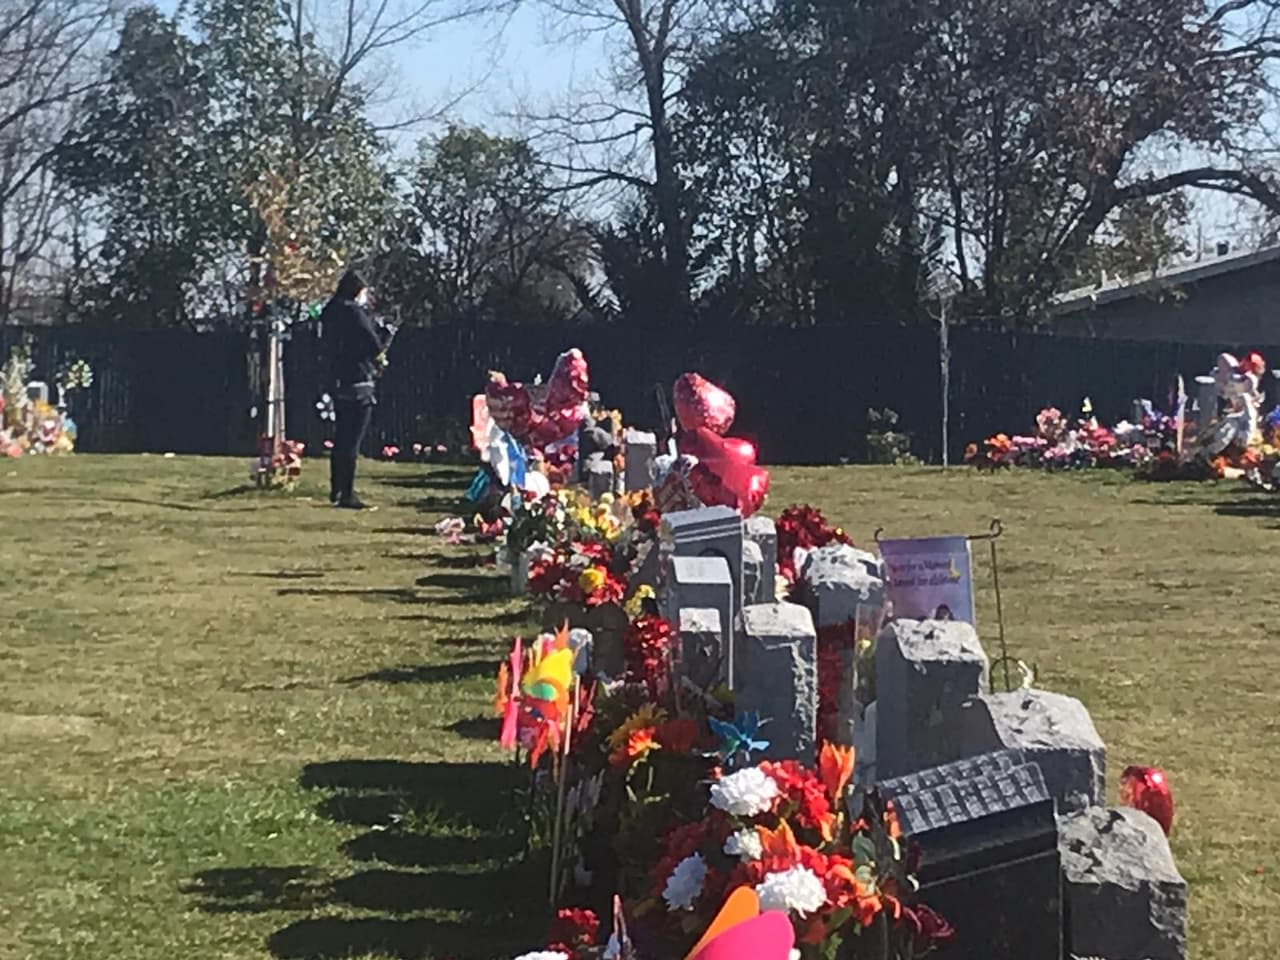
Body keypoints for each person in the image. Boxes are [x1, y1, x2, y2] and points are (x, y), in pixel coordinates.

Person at [322, 270, 388, 510]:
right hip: (358, 377)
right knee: (353, 439)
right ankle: (347, 494)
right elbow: (373, 344)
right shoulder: (354, 312)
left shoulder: (329, 312)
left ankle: (336, 488)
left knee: (341, 437)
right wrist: (382, 337)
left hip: (337, 378)